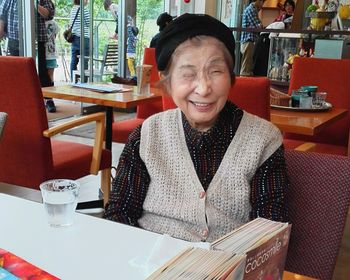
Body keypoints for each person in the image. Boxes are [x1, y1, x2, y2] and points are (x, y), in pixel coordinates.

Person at [104, 13, 289, 243]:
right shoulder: (147, 136)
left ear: (232, 77)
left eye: (216, 71)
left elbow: (269, 233)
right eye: (188, 74)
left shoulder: (263, 140)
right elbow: (118, 215)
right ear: (167, 81)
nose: (203, 88)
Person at [37, 0, 56, 113]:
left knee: (45, 72)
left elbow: (49, 13)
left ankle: (48, 99)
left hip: (44, 44)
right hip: (50, 49)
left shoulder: (44, 2)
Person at [240, 0, 264, 76]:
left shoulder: (253, 9)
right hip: (248, 40)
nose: (262, 4)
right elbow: (258, 26)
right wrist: (260, 25)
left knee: (248, 65)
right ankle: (244, 84)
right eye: (262, 2)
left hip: (248, 40)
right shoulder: (252, 9)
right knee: (246, 68)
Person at [70, 0, 90, 82]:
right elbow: (89, 23)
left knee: (74, 59)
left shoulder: (73, 9)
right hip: (84, 37)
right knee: (85, 60)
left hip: (74, 37)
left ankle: (73, 80)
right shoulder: (84, 9)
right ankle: (84, 81)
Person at [45, 18, 59, 86]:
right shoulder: (54, 23)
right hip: (52, 52)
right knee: (51, 75)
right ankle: (50, 92)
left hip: (42, 52)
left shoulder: (39, 23)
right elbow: (55, 36)